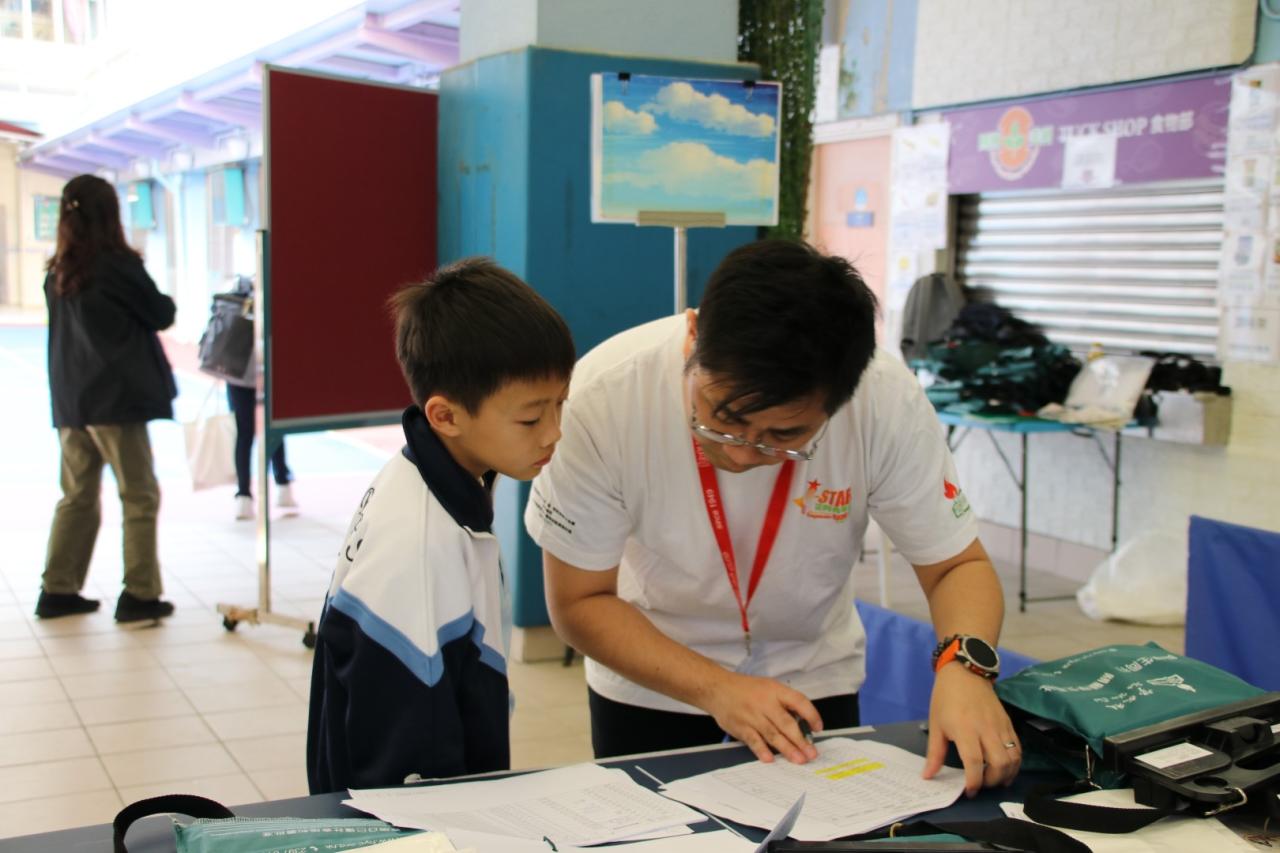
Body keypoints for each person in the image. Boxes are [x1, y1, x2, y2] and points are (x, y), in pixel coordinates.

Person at [526, 239, 1020, 798]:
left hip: (812, 678)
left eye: (783, 436)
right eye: (722, 418)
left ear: (842, 397)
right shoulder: (606, 396)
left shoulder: (884, 401)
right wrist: (718, 689)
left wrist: (965, 669)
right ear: (694, 336)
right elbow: (579, 601)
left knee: (829, 825)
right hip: (652, 678)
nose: (740, 453)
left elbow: (956, 565)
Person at [306, 258, 576, 794]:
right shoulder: (422, 545)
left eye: (560, 405)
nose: (553, 433)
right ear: (446, 416)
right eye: (530, 418)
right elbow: (410, 761)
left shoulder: (436, 478)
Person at [36, 174, 177, 623]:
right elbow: (161, 313)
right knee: (139, 495)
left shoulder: (58, 272)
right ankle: (140, 594)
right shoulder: (117, 266)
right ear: (110, 214)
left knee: (77, 497)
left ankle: (57, 589)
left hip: (72, 403)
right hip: (117, 402)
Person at [219, 276, 295, 521]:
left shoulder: (237, 290)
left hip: (238, 375)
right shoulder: (276, 294)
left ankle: (244, 496)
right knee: (273, 429)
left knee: (245, 433)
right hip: (267, 375)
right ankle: (282, 485)